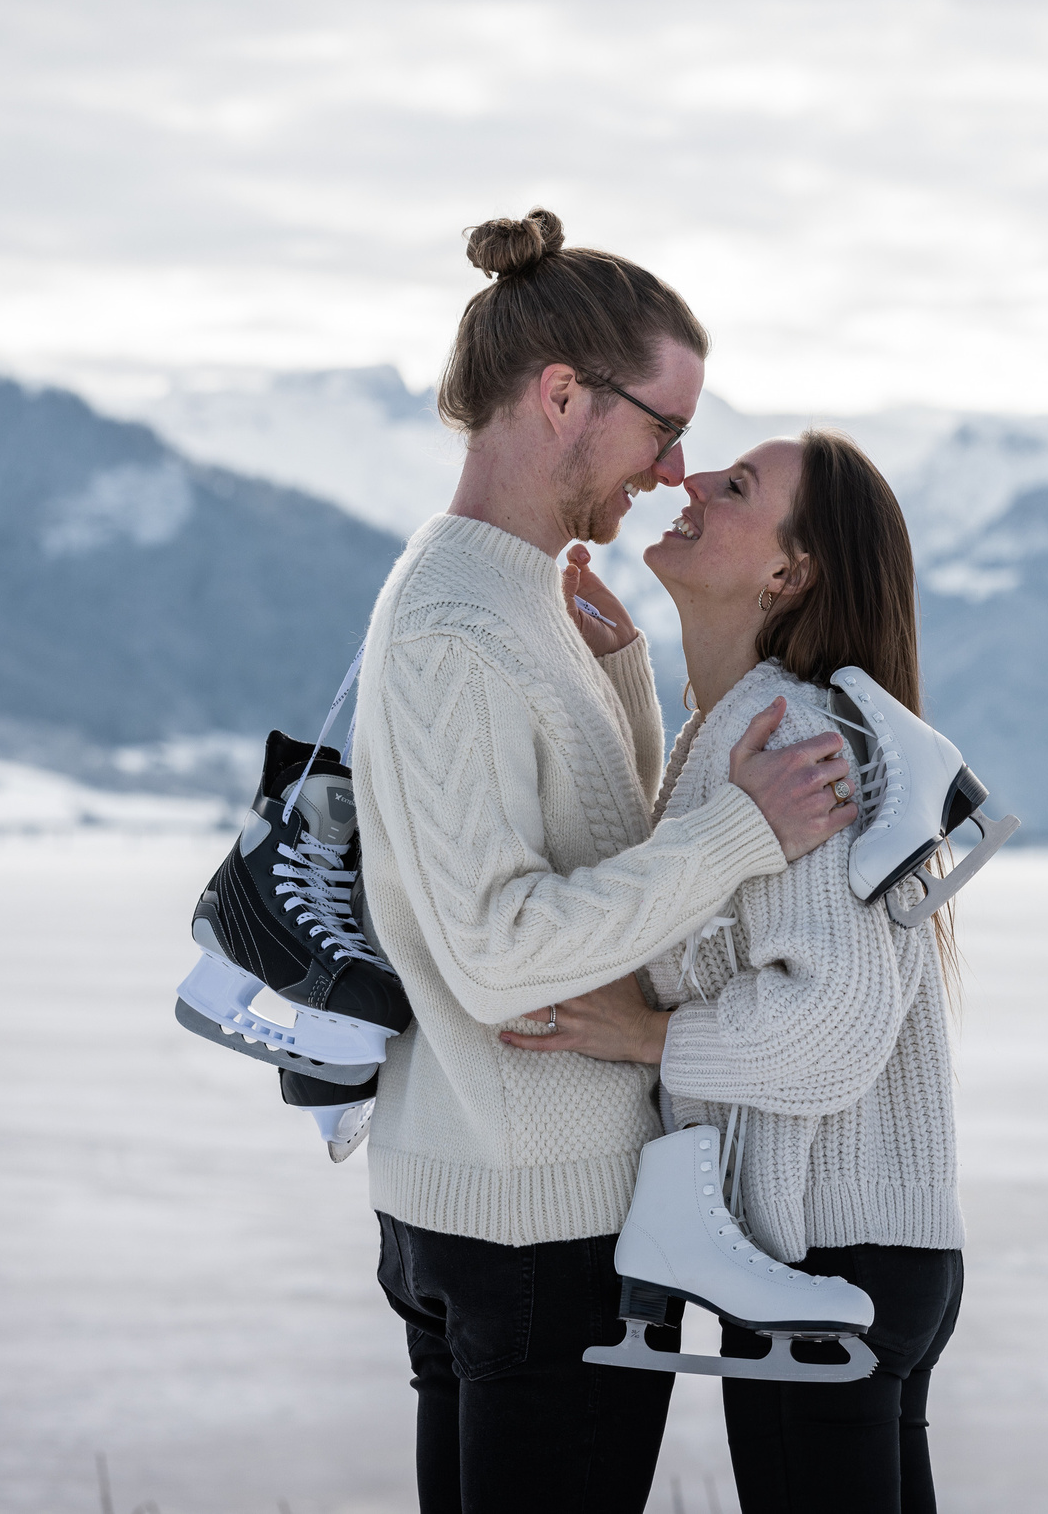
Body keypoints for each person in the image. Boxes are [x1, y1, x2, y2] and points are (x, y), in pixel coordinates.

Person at [350, 209, 862, 1514]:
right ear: (562, 395)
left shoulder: (522, 595)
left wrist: (627, 686)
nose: (677, 467)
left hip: (509, 1196)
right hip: (529, 1223)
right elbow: (503, 950)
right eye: (662, 423)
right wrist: (745, 833)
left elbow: (585, 852)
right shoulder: (459, 623)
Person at [505, 430, 965, 1514]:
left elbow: (835, 1020)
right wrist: (623, 678)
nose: (689, 479)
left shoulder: (794, 735)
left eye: (738, 485)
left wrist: (644, 1036)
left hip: (827, 1257)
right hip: (859, 1252)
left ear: (787, 572)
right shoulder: (737, 733)